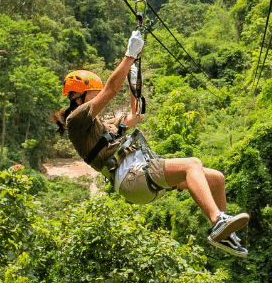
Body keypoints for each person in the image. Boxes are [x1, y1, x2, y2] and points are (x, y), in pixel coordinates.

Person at [56, 29, 249, 257]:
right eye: (92, 93)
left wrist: (133, 79)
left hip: (140, 175)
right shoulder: (76, 120)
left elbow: (135, 116)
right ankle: (217, 220)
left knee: (216, 179)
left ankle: (224, 234)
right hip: (132, 177)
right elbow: (111, 89)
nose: (97, 97)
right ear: (77, 96)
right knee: (192, 164)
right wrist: (129, 56)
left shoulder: (104, 125)